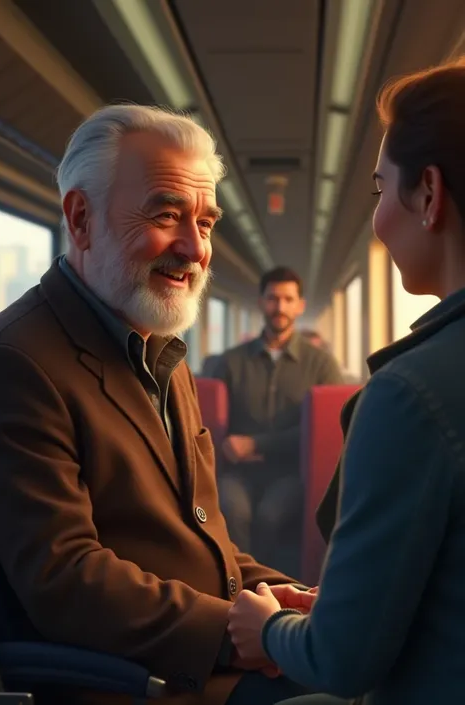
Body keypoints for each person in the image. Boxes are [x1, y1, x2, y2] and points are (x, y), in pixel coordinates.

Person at [0, 105, 321, 705]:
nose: (196, 249)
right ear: (81, 218)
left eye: (207, 222)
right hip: (137, 677)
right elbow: (64, 578)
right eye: (168, 214)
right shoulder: (18, 361)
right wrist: (235, 633)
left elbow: (204, 540)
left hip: (203, 654)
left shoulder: (160, 349)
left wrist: (291, 596)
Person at [227, 56, 465, 705]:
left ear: (429, 194)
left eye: (378, 189)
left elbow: (343, 661)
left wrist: (269, 626)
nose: (379, 215)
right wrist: (337, 603)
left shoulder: (408, 394)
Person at [212, 268, 343, 574]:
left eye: (288, 299)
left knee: (271, 514)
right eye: (273, 298)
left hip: (293, 471)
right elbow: (211, 420)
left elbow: (327, 430)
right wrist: (231, 445)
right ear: (261, 302)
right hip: (239, 471)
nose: (280, 307)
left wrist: (257, 444)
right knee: (233, 510)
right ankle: (236, 593)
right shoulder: (230, 361)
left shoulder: (321, 364)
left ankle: (272, 593)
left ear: (300, 305)